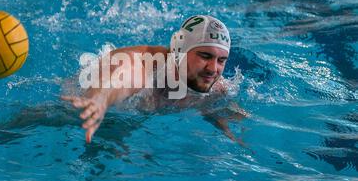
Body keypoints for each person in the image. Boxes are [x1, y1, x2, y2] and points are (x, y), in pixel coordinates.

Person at [62, 15, 247, 144]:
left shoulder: (217, 87)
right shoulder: (145, 66)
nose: (213, 69)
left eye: (221, 60)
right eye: (205, 56)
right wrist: (99, 100)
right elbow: (118, 78)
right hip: (85, 106)